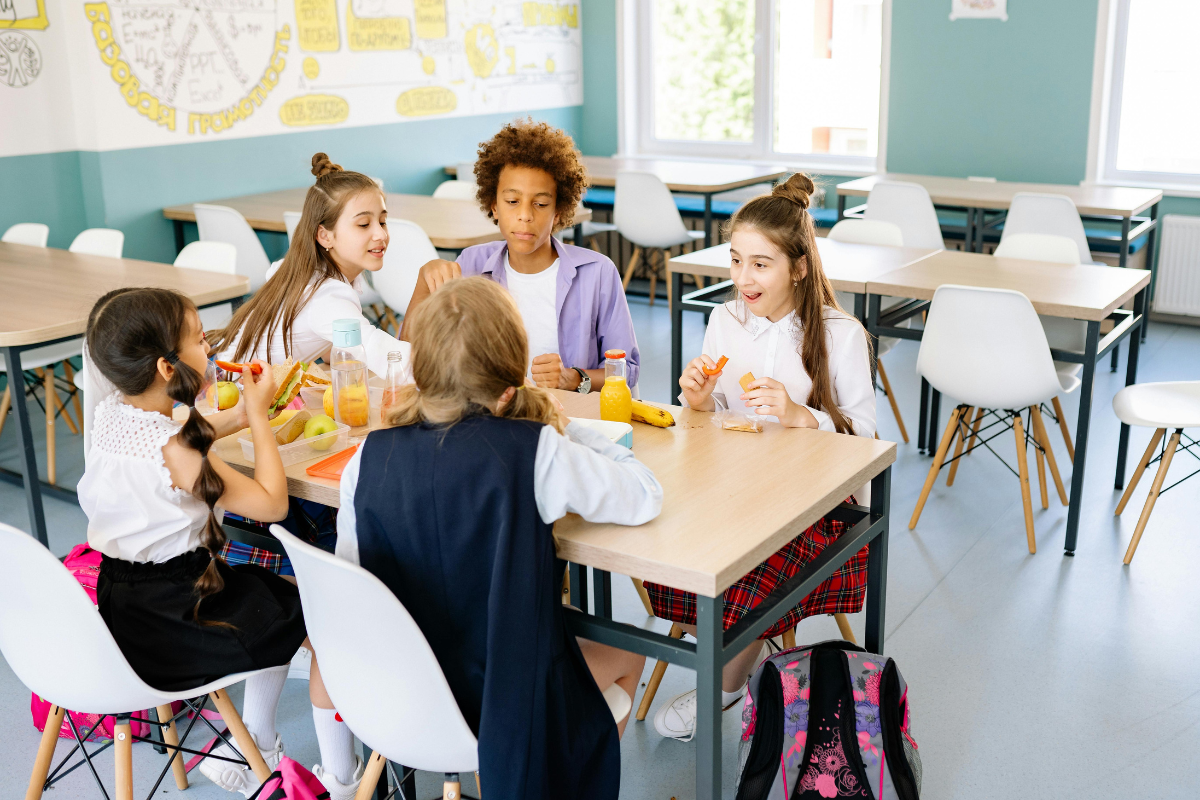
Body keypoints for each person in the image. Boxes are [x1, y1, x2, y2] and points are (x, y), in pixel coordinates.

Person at [337, 277, 659, 799]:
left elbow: (355, 583)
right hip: (509, 703)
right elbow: (644, 494)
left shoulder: (366, 458)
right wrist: (566, 430)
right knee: (628, 652)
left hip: (397, 696)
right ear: (510, 390)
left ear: (421, 372)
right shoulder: (536, 452)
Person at [78, 288, 364, 799]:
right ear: (168, 368)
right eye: (199, 339)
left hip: (123, 609)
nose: (208, 346)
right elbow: (273, 504)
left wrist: (247, 410)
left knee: (272, 600)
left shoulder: (111, 418)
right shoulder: (177, 454)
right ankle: (343, 781)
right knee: (325, 624)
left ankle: (257, 740)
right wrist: (258, 417)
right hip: (180, 615)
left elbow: (185, 435)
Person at [645, 173, 877, 741]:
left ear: (798, 267)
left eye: (761, 264)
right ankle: (751, 641)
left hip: (815, 505)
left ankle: (722, 686)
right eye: (735, 261)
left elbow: (868, 436)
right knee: (673, 535)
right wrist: (697, 400)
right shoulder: (724, 321)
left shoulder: (841, 334)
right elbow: (707, 418)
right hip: (735, 487)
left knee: (748, 559)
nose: (743, 278)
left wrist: (804, 416)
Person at [210, 152, 408, 574]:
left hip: (227, 406)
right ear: (325, 236)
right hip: (247, 423)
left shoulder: (294, 269)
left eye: (383, 220)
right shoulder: (332, 296)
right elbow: (383, 357)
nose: (380, 234)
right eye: (363, 223)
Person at [402, 118, 640, 393]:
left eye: (540, 204)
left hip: (569, 418)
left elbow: (628, 371)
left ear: (558, 212)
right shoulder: (470, 265)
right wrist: (423, 281)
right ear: (493, 206)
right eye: (512, 202)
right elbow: (410, 359)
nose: (525, 215)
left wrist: (573, 378)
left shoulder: (597, 272)